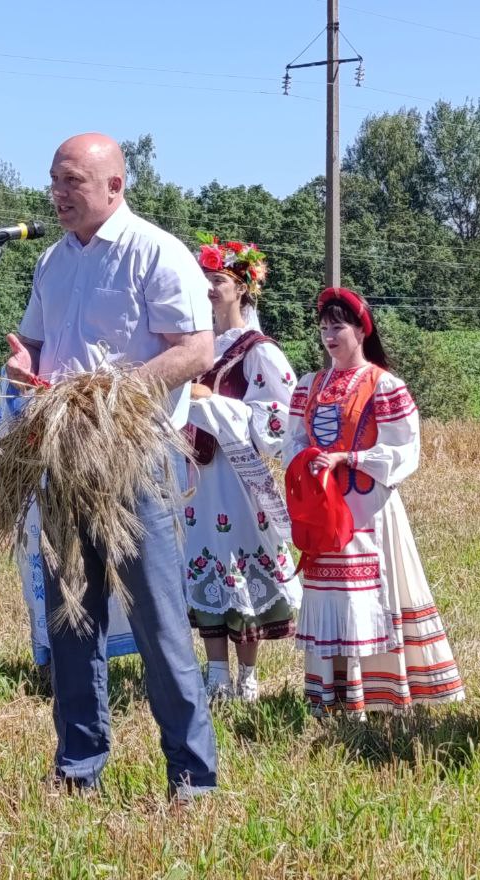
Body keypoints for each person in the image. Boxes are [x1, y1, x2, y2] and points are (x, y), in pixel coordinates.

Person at [5, 132, 218, 798]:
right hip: (62, 458)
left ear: (114, 186)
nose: (58, 193)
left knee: (157, 622)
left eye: (72, 181)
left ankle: (192, 776)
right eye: (54, 181)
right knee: (72, 620)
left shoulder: (156, 253)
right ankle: (78, 767)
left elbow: (196, 349)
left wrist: (113, 401)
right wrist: (23, 369)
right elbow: (33, 347)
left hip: (132, 458)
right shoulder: (52, 261)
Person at [287, 287, 464, 718]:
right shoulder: (310, 384)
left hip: (368, 508)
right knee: (330, 594)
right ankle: (331, 694)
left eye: (339, 327)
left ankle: (371, 696)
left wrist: (350, 457)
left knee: (363, 595)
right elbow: (292, 439)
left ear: (361, 330)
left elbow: (405, 450)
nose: (330, 336)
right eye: (324, 327)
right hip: (324, 508)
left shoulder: (384, 385)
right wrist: (307, 461)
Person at [183, 236, 300, 702]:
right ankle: (214, 673)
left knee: (240, 557)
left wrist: (216, 405)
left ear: (243, 290)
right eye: (206, 280)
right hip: (195, 474)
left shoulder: (258, 349)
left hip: (237, 474)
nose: (210, 289)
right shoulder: (194, 344)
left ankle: (247, 675)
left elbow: (282, 413)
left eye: (219, 280)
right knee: (203, 556)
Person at [0, 369, 139, 673]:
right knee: (49, 574)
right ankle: (56, 664)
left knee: (99, 573)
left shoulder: (91, 364)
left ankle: (97, 662)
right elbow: (3, 434)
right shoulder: (16, 370)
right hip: (39, 488)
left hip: (94, 484)